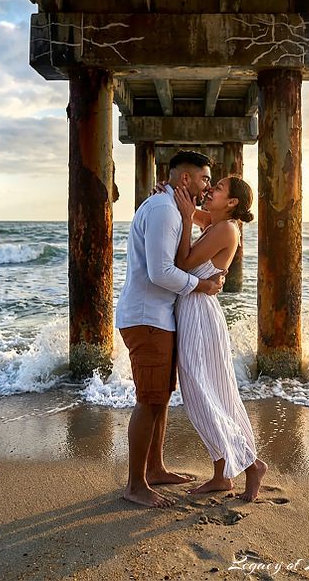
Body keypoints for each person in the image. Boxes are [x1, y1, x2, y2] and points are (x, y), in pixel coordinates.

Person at [115, 150, 226, 508]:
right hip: (147, 318)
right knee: (149, 399)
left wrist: (189, 215)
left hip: (158, 317)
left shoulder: (170, 208)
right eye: (205, 179)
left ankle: (156, 468)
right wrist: (202, 286)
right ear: (185, 179)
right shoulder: (164, 209)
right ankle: (135, 485)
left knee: (160, 396)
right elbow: (160, 271)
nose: (207, 185)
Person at [172, 176, 268, 501]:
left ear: (232, 203)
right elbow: (189, 212)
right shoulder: (215, 223)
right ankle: (221, 474)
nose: (211, 189)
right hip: (194, 311)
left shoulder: (227, 229)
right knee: (209, 393)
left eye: (220, 188)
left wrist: (186, 217)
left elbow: (183, 263)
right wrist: (176, 193)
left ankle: (252, 465)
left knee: (203, 392)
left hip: (200, 315)